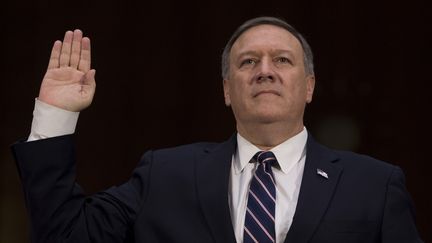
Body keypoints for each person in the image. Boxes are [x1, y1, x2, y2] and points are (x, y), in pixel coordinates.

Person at [11, 16, 422, 243]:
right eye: (247, 62)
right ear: (227, 90)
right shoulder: (164, 175)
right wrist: (55, 116)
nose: (264, 71)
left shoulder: (374, 185)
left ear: (309, 86)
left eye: (281, 60)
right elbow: (63, 236)